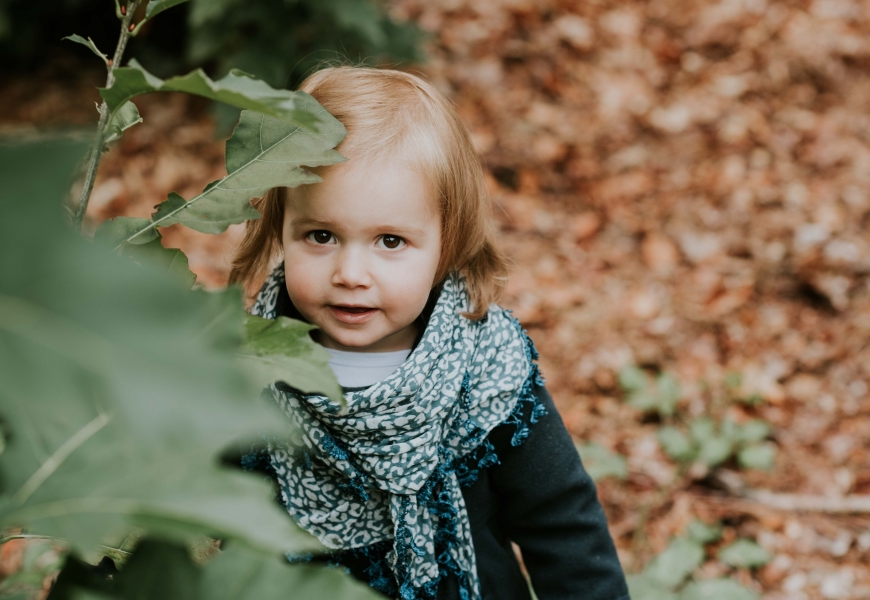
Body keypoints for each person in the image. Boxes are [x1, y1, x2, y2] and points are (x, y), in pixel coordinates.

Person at [228, 66, 630, 600]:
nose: (351, 273)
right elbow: (204, 517)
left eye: (389, 241)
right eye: (321, 235)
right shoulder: (251, 373)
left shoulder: (487, 373)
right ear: (280, 228)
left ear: (448, 243)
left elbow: (563, 527)